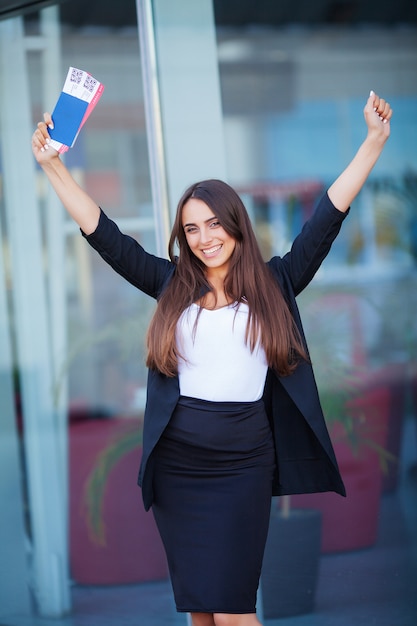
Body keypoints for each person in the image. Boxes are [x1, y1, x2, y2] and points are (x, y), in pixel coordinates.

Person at [32, 90, 392, 626]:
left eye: (214, 224)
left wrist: (373, 142)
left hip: (244, 462)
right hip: (180, 463)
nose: (204, 239)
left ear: (236, 225)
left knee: (234, 611)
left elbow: (328, 217)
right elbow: (104, 236)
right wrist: (54, 168)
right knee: (201, 612)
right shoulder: (171, 285)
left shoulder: (276, 283)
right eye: (192, 229)